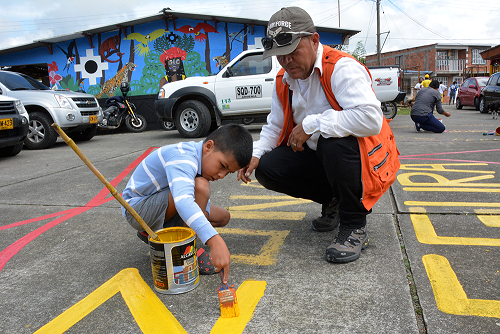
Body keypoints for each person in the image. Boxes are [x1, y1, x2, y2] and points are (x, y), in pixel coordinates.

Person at [237, 7, 399, 264]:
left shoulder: (342, 68)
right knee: (267, 168)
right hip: (320, 158)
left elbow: (371, 120)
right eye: (280, 55)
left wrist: (314, 123)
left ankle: (354, 225)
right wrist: (255, 154)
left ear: (314, 40)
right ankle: (333, 199)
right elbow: (275, 126)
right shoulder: (284, 79)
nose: (286, 61)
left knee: (332, 142)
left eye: (291, 52)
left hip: (365, 161)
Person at [122, 124, 252, 283]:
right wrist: (213, 240)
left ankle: (163, 231)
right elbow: (184, 202)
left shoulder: (198, 158)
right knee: (201, 187)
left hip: (158, 204)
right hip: (137, 211)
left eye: (228, 172)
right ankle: (186, 250)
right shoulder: (183, 157)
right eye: (223, 166)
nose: (222, 175)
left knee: (223, 217)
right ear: (208, 147)